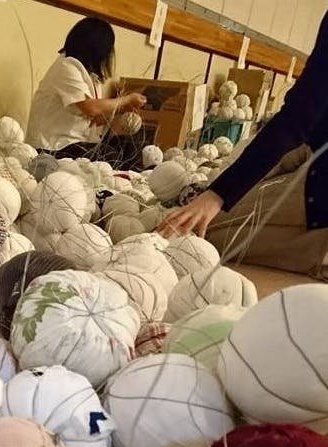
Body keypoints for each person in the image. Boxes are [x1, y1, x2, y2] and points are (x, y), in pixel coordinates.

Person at [158, 11, 328, 278]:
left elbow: (298, 118)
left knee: (200, 236)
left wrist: (216, 196)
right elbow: (307, 124)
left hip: (322, 184)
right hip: (314, 152)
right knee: (207, 220)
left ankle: (319, 252)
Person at [26, 17, 147, 169]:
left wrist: (120, 110)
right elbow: (90, 108)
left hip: (76, 143)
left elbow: (95, 119)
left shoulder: (91, 76)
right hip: (50, 148)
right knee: (109, 156)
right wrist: (126, 99)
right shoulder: (66, 67)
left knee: (129, 147)